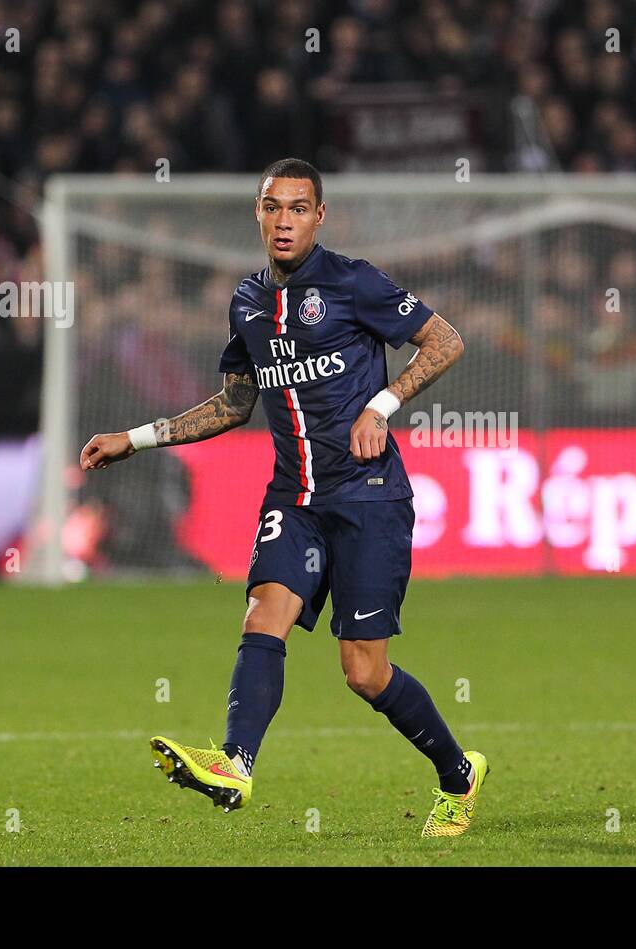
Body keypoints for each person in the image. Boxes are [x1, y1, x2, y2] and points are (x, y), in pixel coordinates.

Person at [81, 158, 488, 837]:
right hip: (293, 497)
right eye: (273, 207)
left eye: (298, 208)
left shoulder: (353, 281)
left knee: (363, 672)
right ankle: (236, 764)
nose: (284, 220)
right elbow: (234, 405)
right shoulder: (246, 302)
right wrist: (135, 437)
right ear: (258, 214)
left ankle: (458, 775)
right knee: (261, 617)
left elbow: (445, 341)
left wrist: (381, 405)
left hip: (368, 496)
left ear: (319, 216)